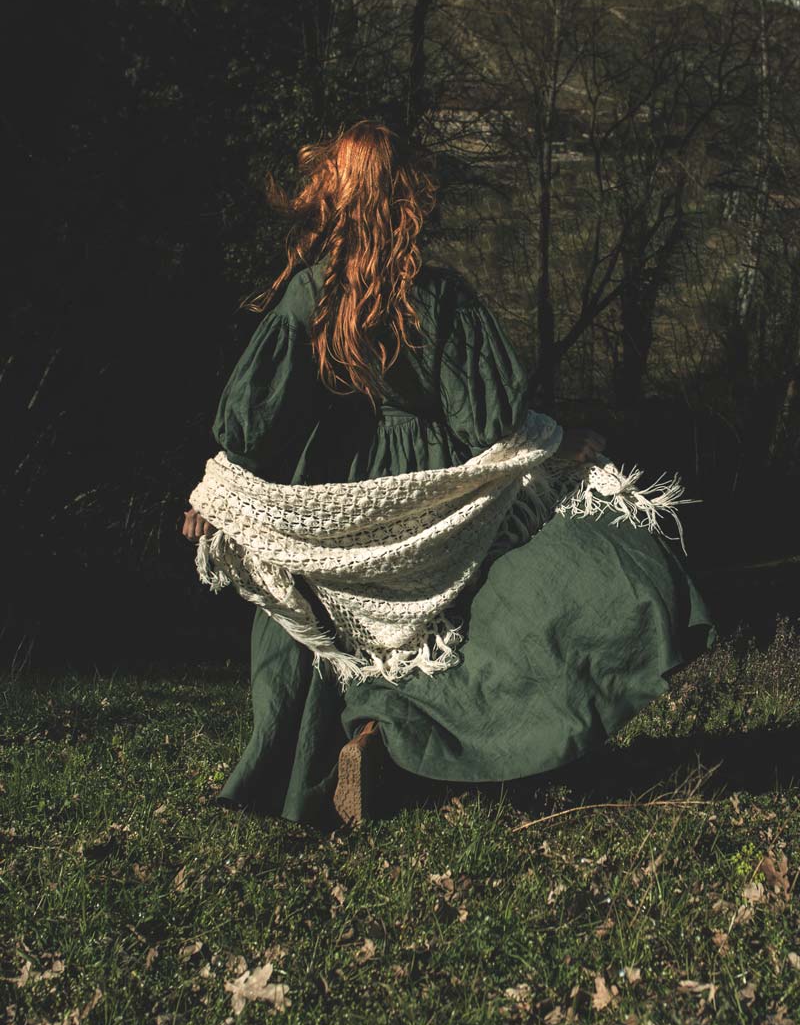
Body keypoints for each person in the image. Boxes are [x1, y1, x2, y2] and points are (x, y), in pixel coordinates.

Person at [181, 119, 714, 828]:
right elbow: (489, 419)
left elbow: (254, 425)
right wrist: (560, 441)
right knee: (460, 627)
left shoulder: (309, 297)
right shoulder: (437, 298)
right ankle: (402, 744)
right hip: (436, 491)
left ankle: (343, 753)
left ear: (333, 202)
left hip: (342, 496)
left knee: (341, 633)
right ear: (406, 201)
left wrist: (220, 494)